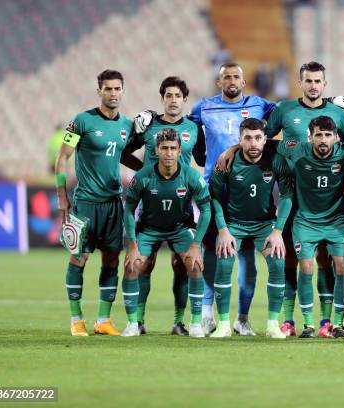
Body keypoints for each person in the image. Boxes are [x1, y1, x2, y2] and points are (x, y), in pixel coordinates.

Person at [265, 61, 344, 337]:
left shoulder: (337, 115)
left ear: (324, 84)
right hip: (293, 194)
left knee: (330, 262)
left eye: (318, 81)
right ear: (300, 82)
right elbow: (261, 140)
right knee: (292, 259)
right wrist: (233, 150)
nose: (313, 85)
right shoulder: (284, 110)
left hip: (328, 201)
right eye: (308, 81)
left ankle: (329, 322)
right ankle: (292, 320)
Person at [56, 69, 141, 336]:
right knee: (78, 258)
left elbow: (122, 155)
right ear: (99, 91)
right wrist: (62, 197)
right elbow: (62, 158)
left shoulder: (127, 125)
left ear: (123, 91)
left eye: (117, 89)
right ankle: (76, 319)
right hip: (85, 203)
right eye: (108, 89)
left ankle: (103, 320)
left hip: (113, 203)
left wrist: (149, 169)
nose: (113, 93)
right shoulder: (81, 121)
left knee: (112, 261)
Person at [122, 76, 204, 335]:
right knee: (144, 263)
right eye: (168, 95)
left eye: (177, 96)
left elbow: (201, 158)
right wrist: (144, 171)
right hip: (149, 208)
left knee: (182, 265)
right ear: (162, 98)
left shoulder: (193, 128)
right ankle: (137, 321)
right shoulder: (148, 125)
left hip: (181, 210)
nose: (173, 100)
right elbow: (125, 152)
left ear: (184, 100)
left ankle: (180, 322)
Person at [279, 116, 344, 338]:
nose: (323, 140)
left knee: (342, 266)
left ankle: (336, 325)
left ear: (336, 138)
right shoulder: (297, 149)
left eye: (328, 135)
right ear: (310, 137)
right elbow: (265, 143)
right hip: (305, 221)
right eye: (318, 135)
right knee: (306, 266)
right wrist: (233, 149)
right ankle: (308, 325)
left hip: (334, 221)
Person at [209, 118, 292, 338]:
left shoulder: (277, 161)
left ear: (265, 139)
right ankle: (224, 324)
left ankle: (273, 324)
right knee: (224, 264)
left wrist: (277, 231)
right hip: (234, 224)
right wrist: (223, 230)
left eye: (257, 138)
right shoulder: (226, 162)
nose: (253, 143)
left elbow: (287, 195)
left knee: (277, 262)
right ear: (240, 140)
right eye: (247, 138)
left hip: (264, 224)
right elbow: (215, 197)